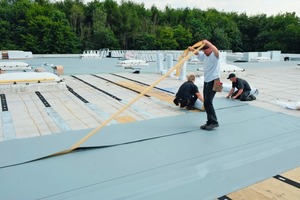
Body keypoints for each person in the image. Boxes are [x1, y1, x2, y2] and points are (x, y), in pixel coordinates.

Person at [188, 40, 220, 130]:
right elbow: (197, 53)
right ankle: (209, 121)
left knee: (208, 102)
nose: (204, 52)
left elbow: (216, 51)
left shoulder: (214, 56)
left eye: (206, 50)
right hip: (207, 81)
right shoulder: (205, 56)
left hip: (215, 81)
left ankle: (214, 122)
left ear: (210, 48)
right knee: (206, 103)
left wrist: (208, 43)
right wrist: (192, 49)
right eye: (203, 50)